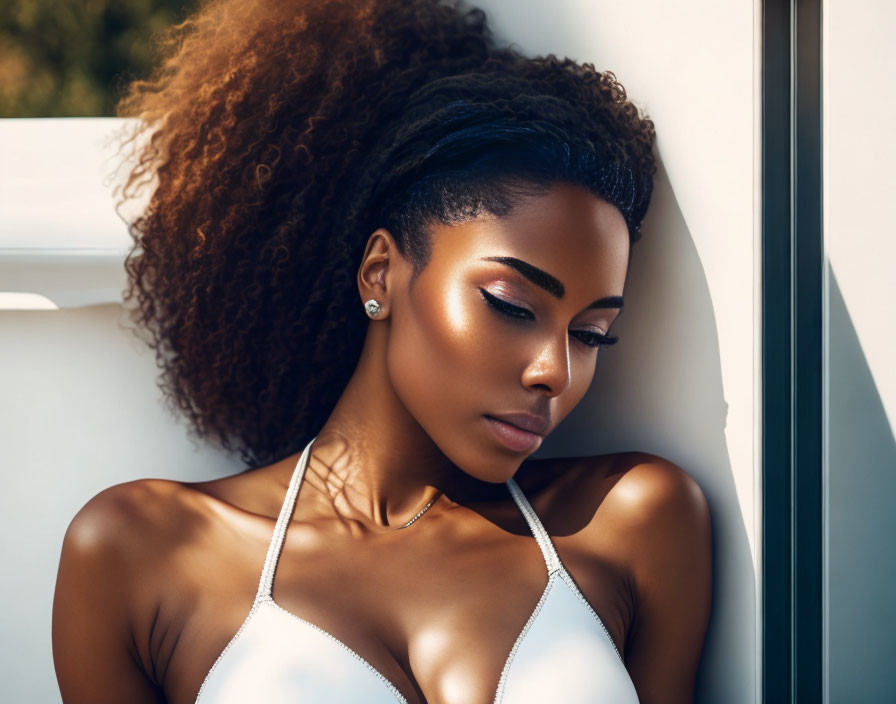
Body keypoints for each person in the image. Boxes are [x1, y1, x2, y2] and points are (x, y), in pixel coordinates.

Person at [51, 0, 712, 702]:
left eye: (590, 334)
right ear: (381, 274)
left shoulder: (634, 523)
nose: (555, 371)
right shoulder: (142, 553)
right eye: (512, 306)